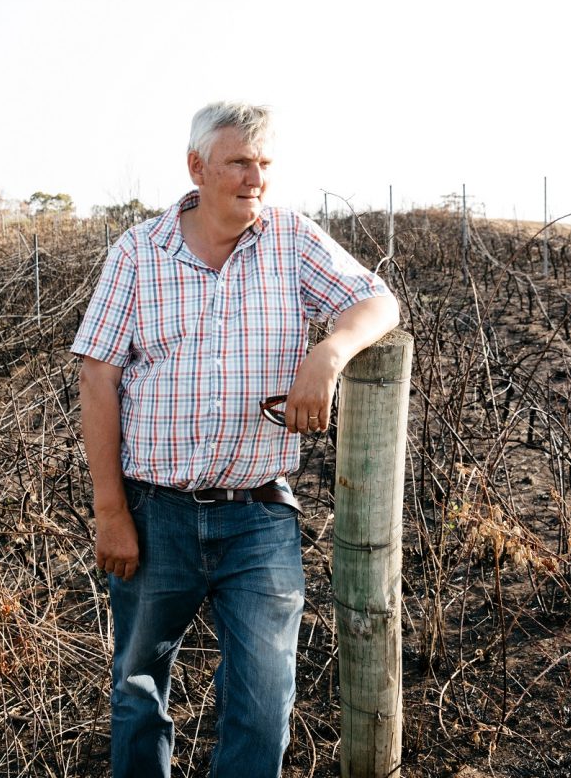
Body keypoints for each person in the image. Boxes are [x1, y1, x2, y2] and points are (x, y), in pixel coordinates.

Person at [71, 101, 399, 777]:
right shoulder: (138, 252)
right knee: (138, 692)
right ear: (197, 167)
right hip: (155, 512)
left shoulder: (290, 240)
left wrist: (329, 352)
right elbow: (97, 378)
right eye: (240, 162)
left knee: (263, 701)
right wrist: (111, 511)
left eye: (266, 164)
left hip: (259, 517)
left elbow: (379, 301)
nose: (256, 178)